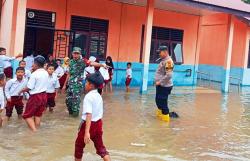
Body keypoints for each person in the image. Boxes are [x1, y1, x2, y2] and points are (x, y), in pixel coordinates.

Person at [74, 72, 110, 161]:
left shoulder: (88, 97)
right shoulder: (98, 95)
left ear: (91, 85)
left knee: (79, 146)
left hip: (89, 125)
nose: (85, 84)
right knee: (100, 147)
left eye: (86, 82)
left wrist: (87, 132)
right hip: (98, 124)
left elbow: (89, 114)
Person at [63, 47, 107, 117]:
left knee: (75, 103)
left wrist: (102, 65)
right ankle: (70, 116)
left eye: (77, 54)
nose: (75, 55)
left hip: (77, 85)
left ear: (80, 54)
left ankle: (74, 119)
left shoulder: (83, 61)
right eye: (74, 53)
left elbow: (92, 63)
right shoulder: (70, 62)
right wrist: (64, 85)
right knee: (68, 102)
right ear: (72, 53)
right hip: (70, 85)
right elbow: (69, 74)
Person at [19, 55, 49, 132]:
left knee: (27, 115)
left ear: (36, 64)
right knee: (38, 115)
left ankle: (34, 132)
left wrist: (20, 91)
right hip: (44, 95)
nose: (32, 65)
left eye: (33, 63)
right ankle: (37, 130)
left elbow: (29, 87)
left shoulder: (35, 74)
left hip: (36, 96)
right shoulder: (46, 73)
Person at [155, 46, 174, 122]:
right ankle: (159, 117)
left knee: (163, 103)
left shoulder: (169, 61)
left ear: (165, 52)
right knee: (158, 101)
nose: (159, 54)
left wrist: (160, 82)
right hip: (160, 85)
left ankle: (165, 123)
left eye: (160, 52)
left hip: (165, 86)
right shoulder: (163, 60)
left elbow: (169, 75)